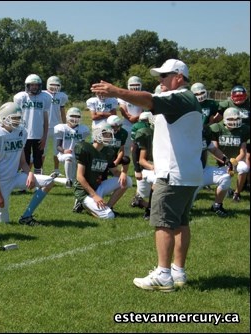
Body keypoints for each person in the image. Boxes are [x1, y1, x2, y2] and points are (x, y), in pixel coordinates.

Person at [91, 58, 203, 292]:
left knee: (163, 222)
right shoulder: (187, 100)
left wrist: (115, 91)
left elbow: (149, 100)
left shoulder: (179, 97)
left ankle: (163, 274)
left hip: (173, 173)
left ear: (179, 77)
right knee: (181, 223)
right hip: (188, 173)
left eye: (164, 76)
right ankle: (178, 271)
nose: (160, 80)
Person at [0, 102, 55, 225]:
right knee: (3, 221)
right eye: (14, 118)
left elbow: (22, 161)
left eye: (18, 118)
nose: (17, 121)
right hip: (0, 181)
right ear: (4, 117)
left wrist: (30, 173)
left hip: (15, 176)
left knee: (49, 181)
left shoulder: (20, 132)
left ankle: (26, 216)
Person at [72, 122, 132, 218]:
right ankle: (82, 203)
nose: (108, 137)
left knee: (128, 180)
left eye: (109, 134)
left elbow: (115, 172)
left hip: (97, 187)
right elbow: (79, 176)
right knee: (108, 216)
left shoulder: (108, 152)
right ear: (96, 134)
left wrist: (123, 173)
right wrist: (95, 196)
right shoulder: (86, 149)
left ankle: (108, 207)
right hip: (84, 191)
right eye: (105, 134)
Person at [13, 74, 52, 175]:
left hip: (38, 134)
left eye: (36, 85)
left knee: (38, 160)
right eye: (32, 85)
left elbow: (46, 118)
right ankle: (23, 183)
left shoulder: (45, 97)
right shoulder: (20, 97)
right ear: (27, 86)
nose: (34, 87)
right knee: (24, 159)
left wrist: (45, 136)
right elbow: (16, 117)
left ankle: (38, 183)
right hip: (24, 133)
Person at [209, 107, 249, 202]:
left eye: (236, 118)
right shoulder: (217, 128)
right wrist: (226, 163)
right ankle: (228, 190)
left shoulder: (243, 130)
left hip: (236, 161)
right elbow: (214, 150)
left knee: (244, 168)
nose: (234, 121)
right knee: (224, 192)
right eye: (231, 119)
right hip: (221, 162)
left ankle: (237, 193)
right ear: (225, 119)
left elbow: (243, 152)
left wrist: (233, 163)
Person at [192, 126, 233, 217]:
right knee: (185, 208)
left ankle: (217, 206)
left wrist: (226, 161)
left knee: (225, 176)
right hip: (189, 174)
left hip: (204, 170)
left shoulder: (203, 136)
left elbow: (214, 149)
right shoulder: (183, 139)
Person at [218, 85, 250, 192]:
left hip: (245, 134)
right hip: (231, 134)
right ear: (231, 96)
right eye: (236, 96)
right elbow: (216, 112)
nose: (239, 98)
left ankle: (245, 184)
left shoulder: (248, 105)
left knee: (247, 158)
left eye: (241, 96)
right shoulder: (226, 104)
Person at [53, 107, 90, 188]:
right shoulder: (62, 128)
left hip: (77, 154)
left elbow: (82, 145)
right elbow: (58, 146)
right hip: (64, 154)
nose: (75, 118)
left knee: (77, 174)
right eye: (73, 116)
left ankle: (71, 180)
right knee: (69, 158)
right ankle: (68, 180)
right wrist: (64, 150)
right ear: (68, 116)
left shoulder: (83, 129)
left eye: (77, 116)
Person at [43, 76, 69, 178]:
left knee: (57, 150)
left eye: (57, 85)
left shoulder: (61, 96)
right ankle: (40, 170)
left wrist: (65, 124)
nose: (55, 87)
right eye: (52, 85)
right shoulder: (43, 94)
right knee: (42, 151)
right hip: (44, 126)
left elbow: (62, 111)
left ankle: (56, 170)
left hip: (57, 126)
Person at [118, 76, 144, 156]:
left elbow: (146, 110)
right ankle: (124, 167)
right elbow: (123, 110)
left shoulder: (144, 95)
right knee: (126, 149)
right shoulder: (123, 96)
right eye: (132, 85)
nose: (135, 87)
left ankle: (138, 167)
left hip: (141, 125)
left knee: (140, 148)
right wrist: (131, 118)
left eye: (136, 84)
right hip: (127, 125)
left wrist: (135, 118)